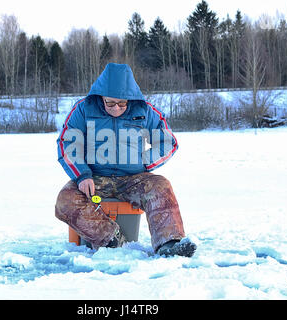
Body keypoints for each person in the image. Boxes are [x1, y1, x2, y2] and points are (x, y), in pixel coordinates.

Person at [55, 63, 196, 257]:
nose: (116, 108)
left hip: (133, 179)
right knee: (66, 199)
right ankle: (112, 239)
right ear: (100, 97)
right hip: (96, 179)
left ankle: (169, 243)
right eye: (110, 103)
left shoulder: (145, 111)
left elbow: (168, 142)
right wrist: (82, 175)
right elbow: (67, 143)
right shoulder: (83, 109)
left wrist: (144, 162)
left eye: (122, 104)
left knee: (161, 186)